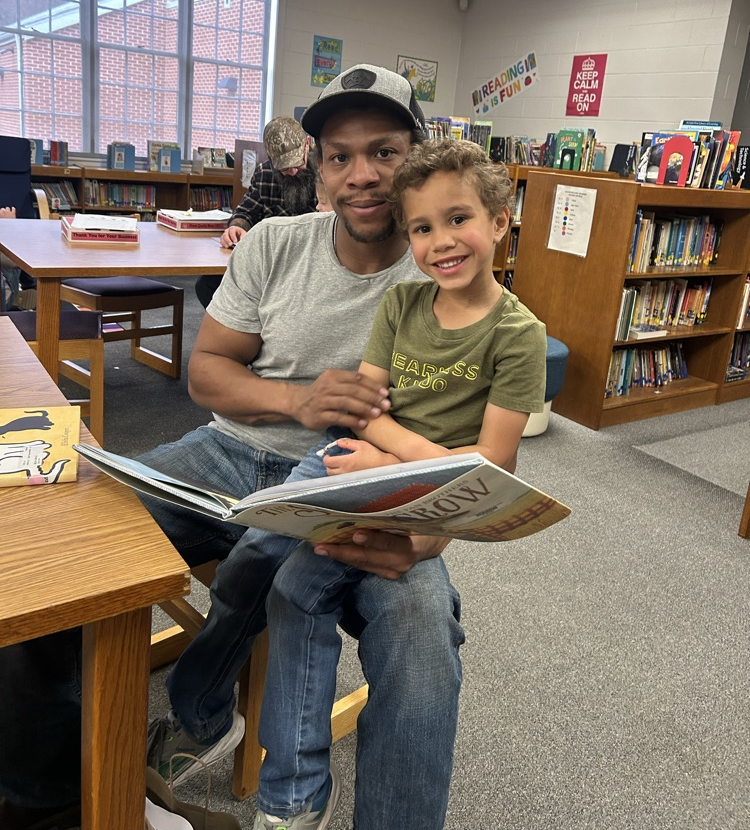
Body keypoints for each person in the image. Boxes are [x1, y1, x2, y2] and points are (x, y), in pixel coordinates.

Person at [0, 65, 463, 830]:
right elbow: (209, 373)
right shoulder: (275, 245)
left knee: (423, 641)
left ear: (419, 157)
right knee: (53, 562)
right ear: (315, 168)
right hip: (228, 455)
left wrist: (429, 529)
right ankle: (44, 800)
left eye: (384, 151)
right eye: (340, 155)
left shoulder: (448, 265)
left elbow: (466, 445)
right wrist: (297, 399)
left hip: (363, 488)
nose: (363, 176)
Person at [251, 139, 547, 828]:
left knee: (407, 618)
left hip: (425, 496)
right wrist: (409, 457)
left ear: (501, 219)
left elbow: (492, 470)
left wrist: (399, 465)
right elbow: (364, 412)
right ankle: (291, 800)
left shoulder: (518, 334)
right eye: (421, 227)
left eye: (458, 219)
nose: (440, 241)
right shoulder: (403, 307)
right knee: (276, 571)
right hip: (358, 462)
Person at [194, 116, 318, 308]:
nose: (292, 172)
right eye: (284, 167)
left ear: (307, 145)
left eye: (297, 163)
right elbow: (245, 213)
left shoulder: (325, 172)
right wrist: (236, 227)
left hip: (308, 261)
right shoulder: (265, 173)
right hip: (269, 260)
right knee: (207, 285)